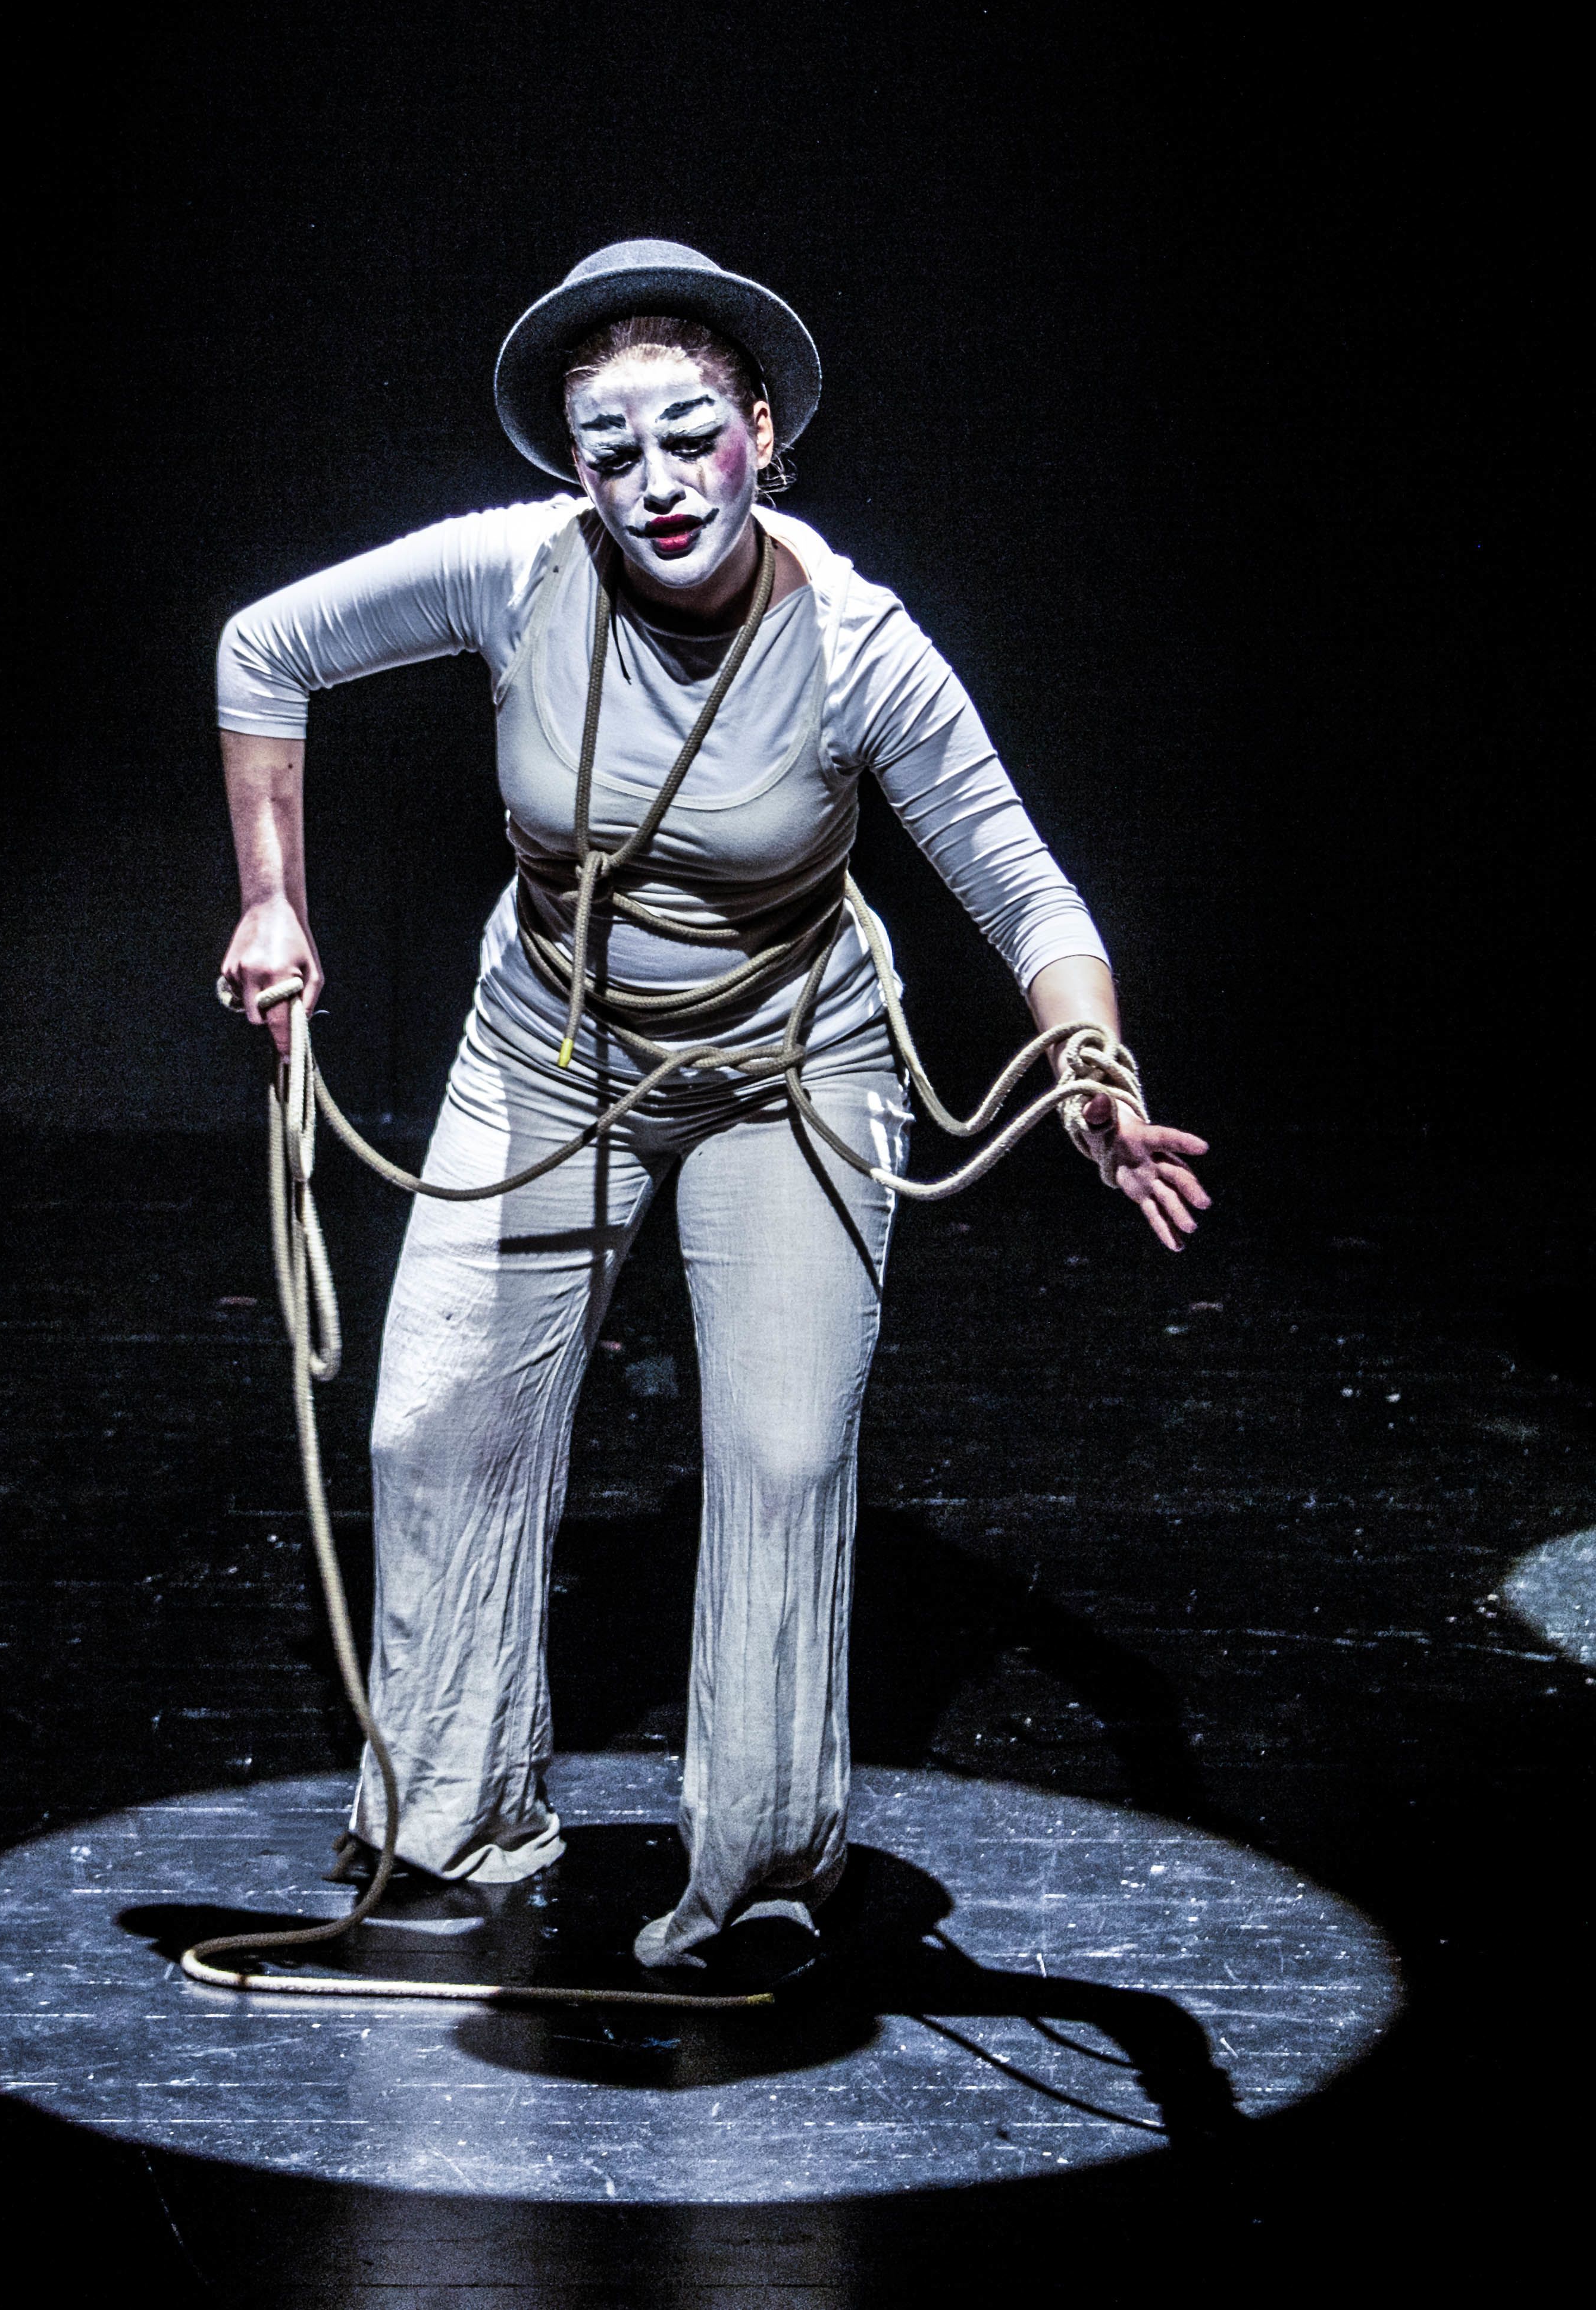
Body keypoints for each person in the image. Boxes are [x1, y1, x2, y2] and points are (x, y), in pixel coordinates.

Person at [211, 239, 1212, 1977]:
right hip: (548, 1048)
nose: (656, 482)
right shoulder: (516, 575)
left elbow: (1031, 897)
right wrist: (270, 896)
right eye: (613, 450)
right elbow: (262, 647)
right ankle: (448, 1814)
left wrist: (1092, 1069)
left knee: (776, 1455)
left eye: (691, 434)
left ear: (763, 432)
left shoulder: (854, 646)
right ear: (572, 471)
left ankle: (752, 1865)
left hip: (787, 1071)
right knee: (424, 1424)